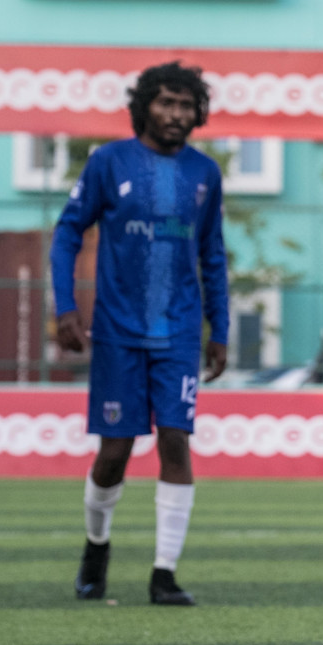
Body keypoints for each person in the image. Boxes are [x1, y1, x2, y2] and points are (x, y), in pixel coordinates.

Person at [51, 61, 229, 607]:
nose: (176, 114)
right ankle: (96, 547)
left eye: (185, 105)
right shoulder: (108, 162)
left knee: (176, 440)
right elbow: (67, 233)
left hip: (177, 333)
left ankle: (164, 573)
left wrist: (218, 328)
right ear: (144, 106)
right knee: (115, 451)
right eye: (166, 102)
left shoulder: (205, 173)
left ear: (197, 113)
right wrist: (64, 309)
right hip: (117, 332)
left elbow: (213, 255)